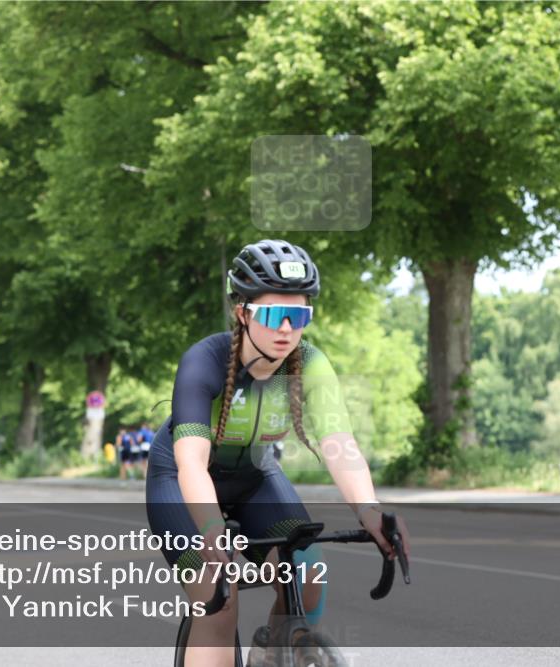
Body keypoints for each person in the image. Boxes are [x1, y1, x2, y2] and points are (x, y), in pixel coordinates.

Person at [145, 239, 411, 666]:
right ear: (243, 312)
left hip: (255, 479)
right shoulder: (204, 361)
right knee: (218, 596)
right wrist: (212, 527)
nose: (286, 328)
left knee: (308, 573)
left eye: (299, 315)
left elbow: (340, 446)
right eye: (272, 314)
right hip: (181, 482)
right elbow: (191, 463)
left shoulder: (310, 364)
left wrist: (370, 512)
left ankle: (271, 656)